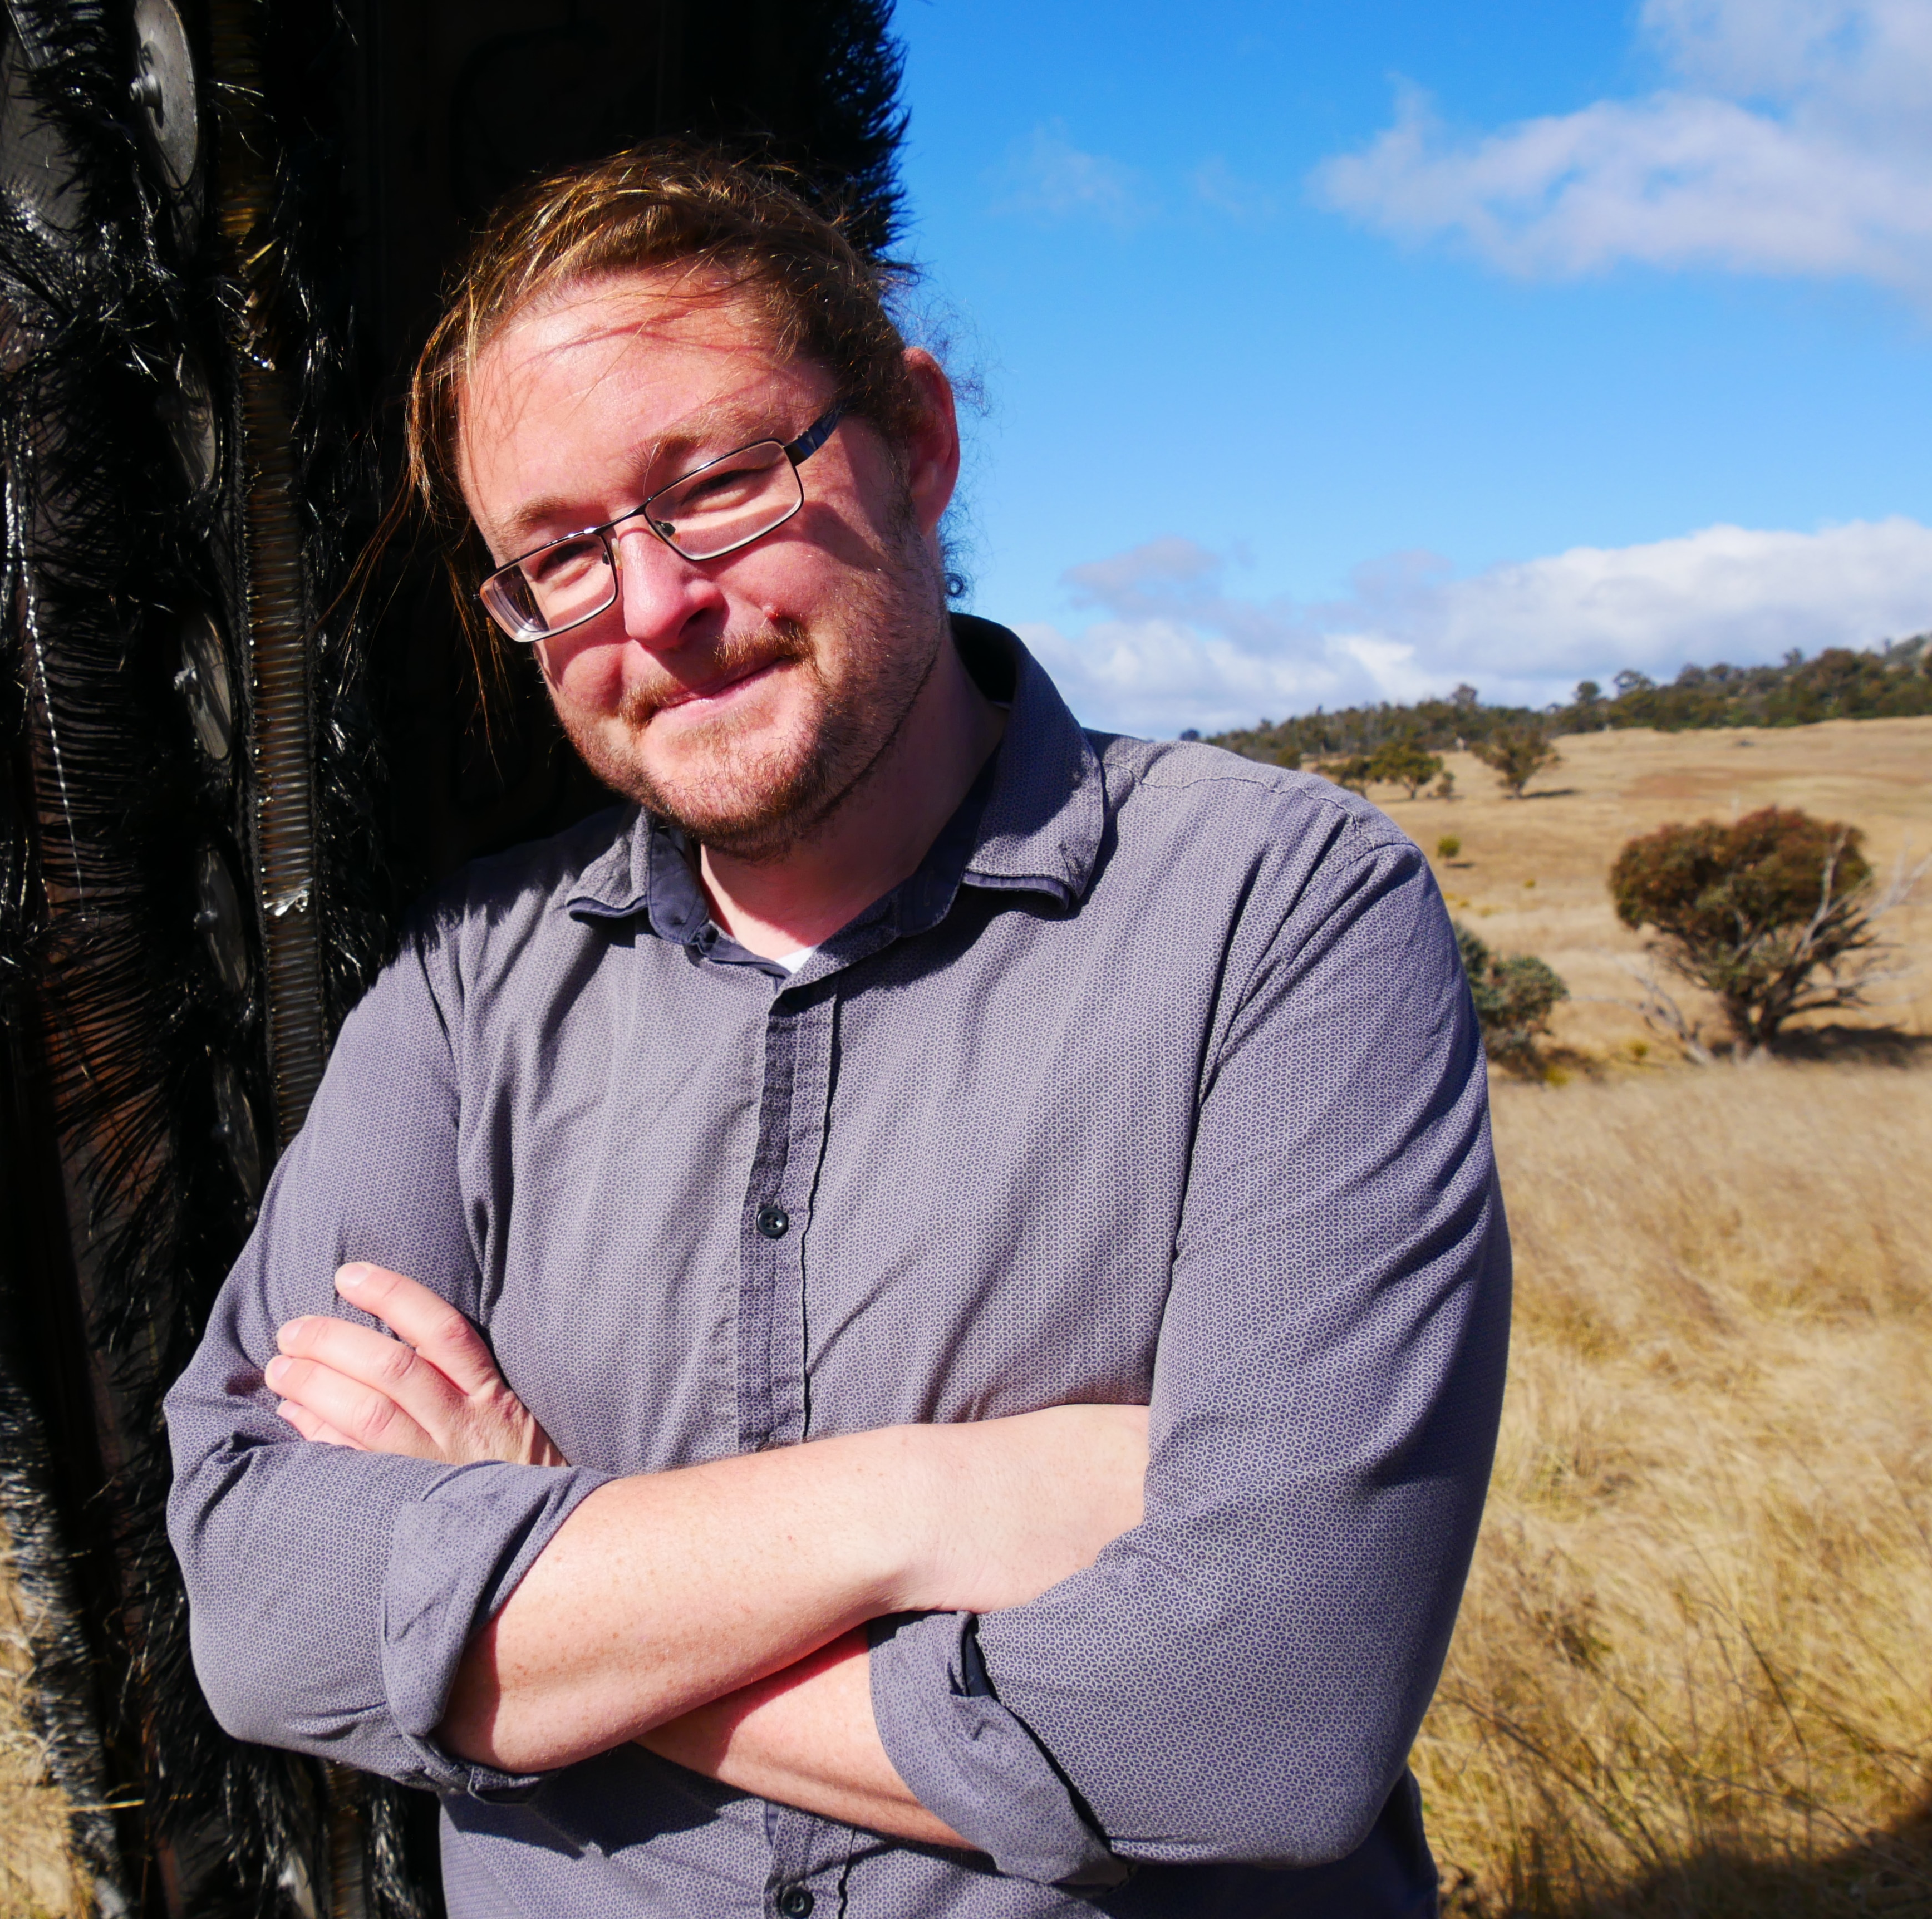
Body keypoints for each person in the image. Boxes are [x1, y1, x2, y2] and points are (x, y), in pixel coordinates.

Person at [165, 142, 1510, 1918]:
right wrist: (920, 1507)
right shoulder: (465, 990)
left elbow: (1256, 1724)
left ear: (920, 443)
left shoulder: (1279, 910)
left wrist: (530, 1563)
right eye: (558, 554)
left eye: (717, 482)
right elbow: (261, 1614)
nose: (650, 609)